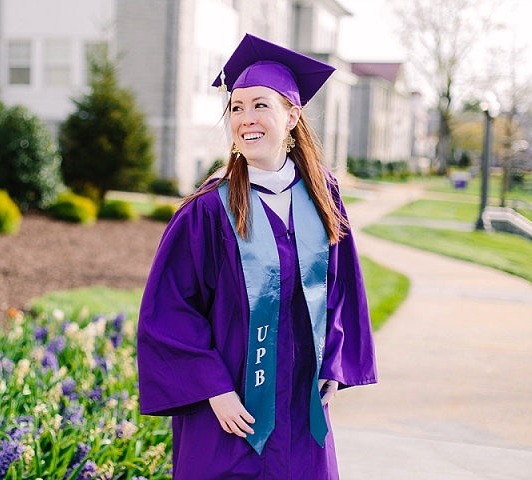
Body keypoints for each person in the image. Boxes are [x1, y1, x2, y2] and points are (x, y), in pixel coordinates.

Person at [137, 33, 377, 480]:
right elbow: (169, 310)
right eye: (236, 107)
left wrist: (333, 361)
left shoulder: (322, 195)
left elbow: (341, 285)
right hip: (228, 411)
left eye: (260, 105)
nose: (245, 118)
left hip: (301, 407)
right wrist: (214, 390)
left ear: (292, 115)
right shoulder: (208, 210)